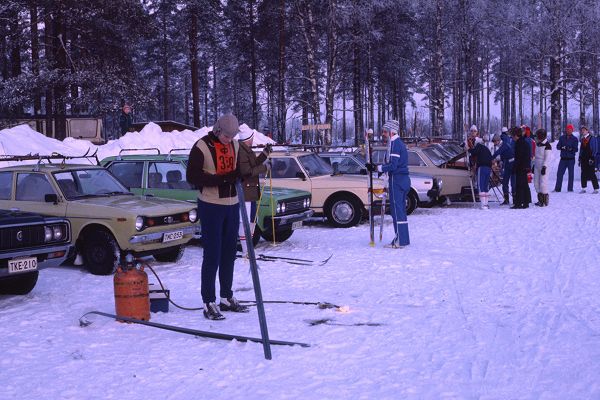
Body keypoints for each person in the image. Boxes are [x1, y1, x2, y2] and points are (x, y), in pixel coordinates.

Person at [186, 114, 248, 320]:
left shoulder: (236, 145)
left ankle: (226, 296)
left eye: (232, 136)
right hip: (211, 205)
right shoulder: (201, 146)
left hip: (232, 205)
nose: (229, 140)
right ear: (217, 130)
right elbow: (192, 177)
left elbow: (239, 169)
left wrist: (245, 173)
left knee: (229, 253)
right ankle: (208, 301)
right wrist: (221, 180)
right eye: (226, 136)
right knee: (212, 254)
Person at [365, 120, 410, 248]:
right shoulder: (396, 143)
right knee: (400, 211)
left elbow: (393, 165)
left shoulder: (395, 144)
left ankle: (400, 240)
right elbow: (390, 163)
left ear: (391, 131)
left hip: (397, 180)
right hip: (400, 180)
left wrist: (377, 168)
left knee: (397, 211)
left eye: (385, 131)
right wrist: (378, 169)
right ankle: (403, 239)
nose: (383, 134)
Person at [237, 129, 272, 256]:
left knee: (251, 220)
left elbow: (253, 164)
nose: (253, 140)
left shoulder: (246, 149)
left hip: (250, 191)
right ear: (248, 138)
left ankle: (248, 250)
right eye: (252, 137)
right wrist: (264, 168)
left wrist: (265, 154)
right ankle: (246, 251)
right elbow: (246, 171)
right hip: (245, 191)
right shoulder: (241, 151)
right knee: (244, 221)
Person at [469, 136, 494, 209]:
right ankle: (486, 204)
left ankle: (483, 204)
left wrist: (468, 149)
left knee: (481, 185)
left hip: (482, 167)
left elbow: (473, 152)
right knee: (486, 186)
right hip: (488, 167)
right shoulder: (486, 149)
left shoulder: (478, 146)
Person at [554, 124, 579, 192]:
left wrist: (570, 149)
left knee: (571, 175)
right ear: (566, 130)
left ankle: (570, 189)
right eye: (568, 129)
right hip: (563, 159)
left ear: (572, 130)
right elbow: (558, 146)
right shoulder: (562, 138)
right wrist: (562, 147)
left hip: (571, 159)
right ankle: (557, 189)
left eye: (570, 130)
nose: (569, 131)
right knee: (559, 174)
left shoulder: (575, 139)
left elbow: (576, 149)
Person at [492, 132, 515, 205]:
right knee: (504, 182)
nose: (494, 144)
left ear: (498, 140)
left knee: (513, 183)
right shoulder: (501, 145)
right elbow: (502, 155)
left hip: (513, 164)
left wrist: (490, 158)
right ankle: (506, 199)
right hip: (507, 164)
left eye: (495, 142)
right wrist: (498, 160)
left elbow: (498, 152)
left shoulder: (504, 144)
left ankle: (515, 199)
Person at [511, 126, 532, 209]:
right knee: (524, 184)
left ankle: (519, 203)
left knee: (519, 185)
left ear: (516, 135)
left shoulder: (520, 144)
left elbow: (519, 157)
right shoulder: (523, 142)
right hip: (525, 166)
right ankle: (526, 202)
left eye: (513, 136)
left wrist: (514, 167)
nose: (512, 138)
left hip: (521, 167)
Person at [533, 129, 552, 206]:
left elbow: (547, 158)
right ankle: (540, 200)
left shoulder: (547, 145)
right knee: (536, 183)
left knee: (543, 183)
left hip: (543, 166)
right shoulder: (538, 144)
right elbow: (536, 156)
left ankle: (544, 200)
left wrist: (544, 166)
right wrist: (534, 165)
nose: (537, 138)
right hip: (537, 165)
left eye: (538, 136)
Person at [578, 126, 599, 194]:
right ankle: (583, 188)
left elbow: (595, 149)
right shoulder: (582, 139)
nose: (583, 131)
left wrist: (592, 158)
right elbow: (581, 150)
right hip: (583, 159)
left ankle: (596, 189)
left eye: (584, 130)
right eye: (582, 130)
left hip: (590, 158)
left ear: (587, 131)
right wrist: (579, 159)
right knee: (583, 173)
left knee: (592, 173)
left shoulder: (592, 138)